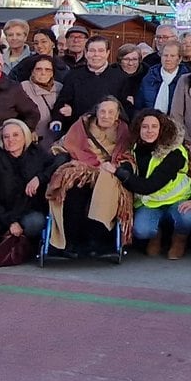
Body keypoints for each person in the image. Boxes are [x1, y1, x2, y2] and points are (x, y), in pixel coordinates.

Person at [48, 94, 132, 259]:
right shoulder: (82, 125)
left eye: (110, 112)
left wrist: (114, 167)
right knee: (73, 189)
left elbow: (127, 155)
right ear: (97, 112)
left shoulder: (124, 131)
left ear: (117, 116)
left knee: (104, 187)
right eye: (103, 111)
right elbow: (66, 146)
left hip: (109, 171)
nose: (106, 115)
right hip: (82, 167)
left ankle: (96, 241)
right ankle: (71, 242)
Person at [117, 109, 191, 257]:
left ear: (162, 129)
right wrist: (123, 169)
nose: (149, 131)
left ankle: (179, 240)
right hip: (150, 203)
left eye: (154, 127)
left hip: (177, 201)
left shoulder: (175, 152)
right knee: (141, 230)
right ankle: (155, 235)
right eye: (145, 127)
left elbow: (150, 186)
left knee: (188, 219)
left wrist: (122, 175)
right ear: (138, 129)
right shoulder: (134, 148)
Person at [0, 118, 51, 263]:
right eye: (6, 137)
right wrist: (10, 222)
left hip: (26, 211)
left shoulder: (37, 155)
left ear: (25, 136)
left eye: (16, 135)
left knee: (35, 222)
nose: (11, 140)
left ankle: (23, 245)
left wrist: (39, 178)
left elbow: (59, 160)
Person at [57, 36, 130, 128]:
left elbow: (125, 108)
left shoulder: (120, 77)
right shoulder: (74, 75)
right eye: (92, 50)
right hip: (79, 129)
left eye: (100, 51)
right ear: (86, 53)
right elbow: (63, 102)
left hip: (109, 131)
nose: (96, 54)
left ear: (108, 53)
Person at [136, 28, 186, 115]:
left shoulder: (186, 79)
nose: (168, 59)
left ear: (179, 58)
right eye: (165, 55)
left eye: (172, 56)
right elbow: (139, 105)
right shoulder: (149, 77)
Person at [16, 53, 63, 131]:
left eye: (47, 70)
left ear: (52, 73)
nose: (43, 73)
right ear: (32, 71)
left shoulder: (60, 88)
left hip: (56, 138)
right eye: (38, 69)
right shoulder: (23, 88)